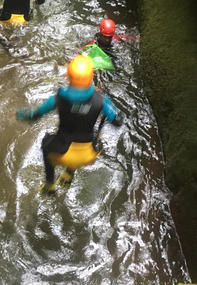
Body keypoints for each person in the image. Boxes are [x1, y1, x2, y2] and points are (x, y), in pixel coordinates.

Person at [16, 55, 124, 194]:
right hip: (88, 155)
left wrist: (20, 114)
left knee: (46, 142)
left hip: (61, 152)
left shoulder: (58, 98)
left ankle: (49, 184)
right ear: (91, 78)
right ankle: (68, 175)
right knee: (80, 143)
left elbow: (35, 115)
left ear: (68, 77)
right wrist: (119, 116)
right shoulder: (101, 100)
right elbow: (116, 122)